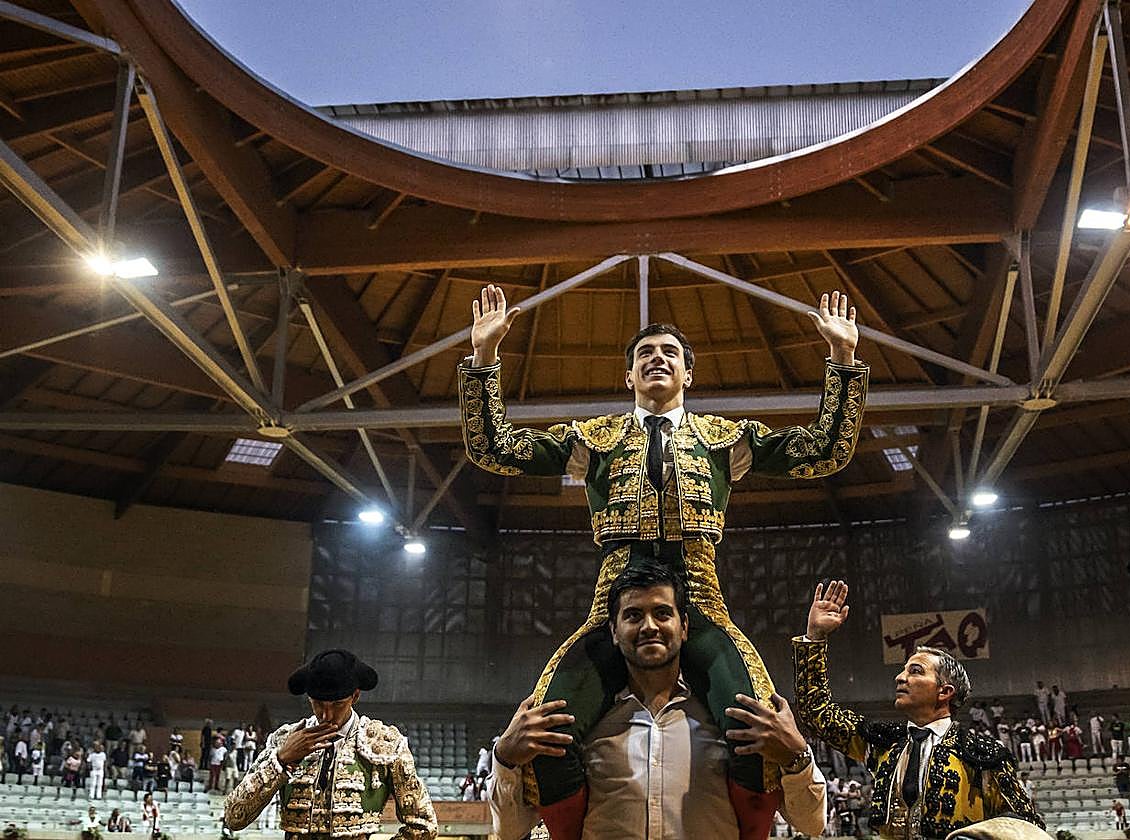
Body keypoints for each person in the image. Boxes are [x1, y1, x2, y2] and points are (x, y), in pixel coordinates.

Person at [460, 284, 868, 838]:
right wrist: (485, 357)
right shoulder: (594, 438)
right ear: (628, 377)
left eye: (669, 353)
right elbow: (493, 448)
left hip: (700, 605)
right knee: (543, 734)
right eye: (644, 354)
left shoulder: (725, 439)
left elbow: (825, 452)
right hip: (616, 606)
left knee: (757, 727)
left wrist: (842, 358)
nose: (657, 358)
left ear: (687, 375)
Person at [488, 564, 828, 840]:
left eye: (662, 614)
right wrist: (505, 758)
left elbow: (812, 824)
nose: (649, 626)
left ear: (684, 628)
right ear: (613, 631)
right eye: (633, 616)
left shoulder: (730, 720)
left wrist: (796, 756)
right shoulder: (583, 724)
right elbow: (509, 830)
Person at [793, 580, 1042, 840]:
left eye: (915, 671)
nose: (900, 678)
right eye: (903, 670)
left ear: (944, 692)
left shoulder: (982, 754)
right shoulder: (884, 742)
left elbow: (1027, 825)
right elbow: (816, 710)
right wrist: (815, 637)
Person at [223, 648, 437, 839]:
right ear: (308, 698)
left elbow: (424, 826)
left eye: (337, 704)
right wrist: (280, 760)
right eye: (318, 703)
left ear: (355, 696)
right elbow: (234, 817)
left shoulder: (385, 743)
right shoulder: (284, 740)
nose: (326, 715)